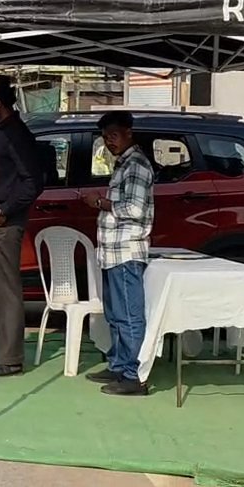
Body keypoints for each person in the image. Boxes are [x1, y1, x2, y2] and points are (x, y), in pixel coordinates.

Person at [0, 75, 45, 377]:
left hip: (5, 217)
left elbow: (33, 181)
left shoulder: (15, 134)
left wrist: (5, 209)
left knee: (6, 289)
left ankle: (10, 358)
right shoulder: (3, 131)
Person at [82, 110, 155, 397]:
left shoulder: (136, 165)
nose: (109, 142)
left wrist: (100, 203)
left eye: (113, 136)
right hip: (113, 251)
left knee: (128, 316)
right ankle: (119, 365)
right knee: (115, 314)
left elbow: (134, 209)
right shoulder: (123, 164)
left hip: (126, 251)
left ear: (128, 133)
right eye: (105, 137)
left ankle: (133, 376)